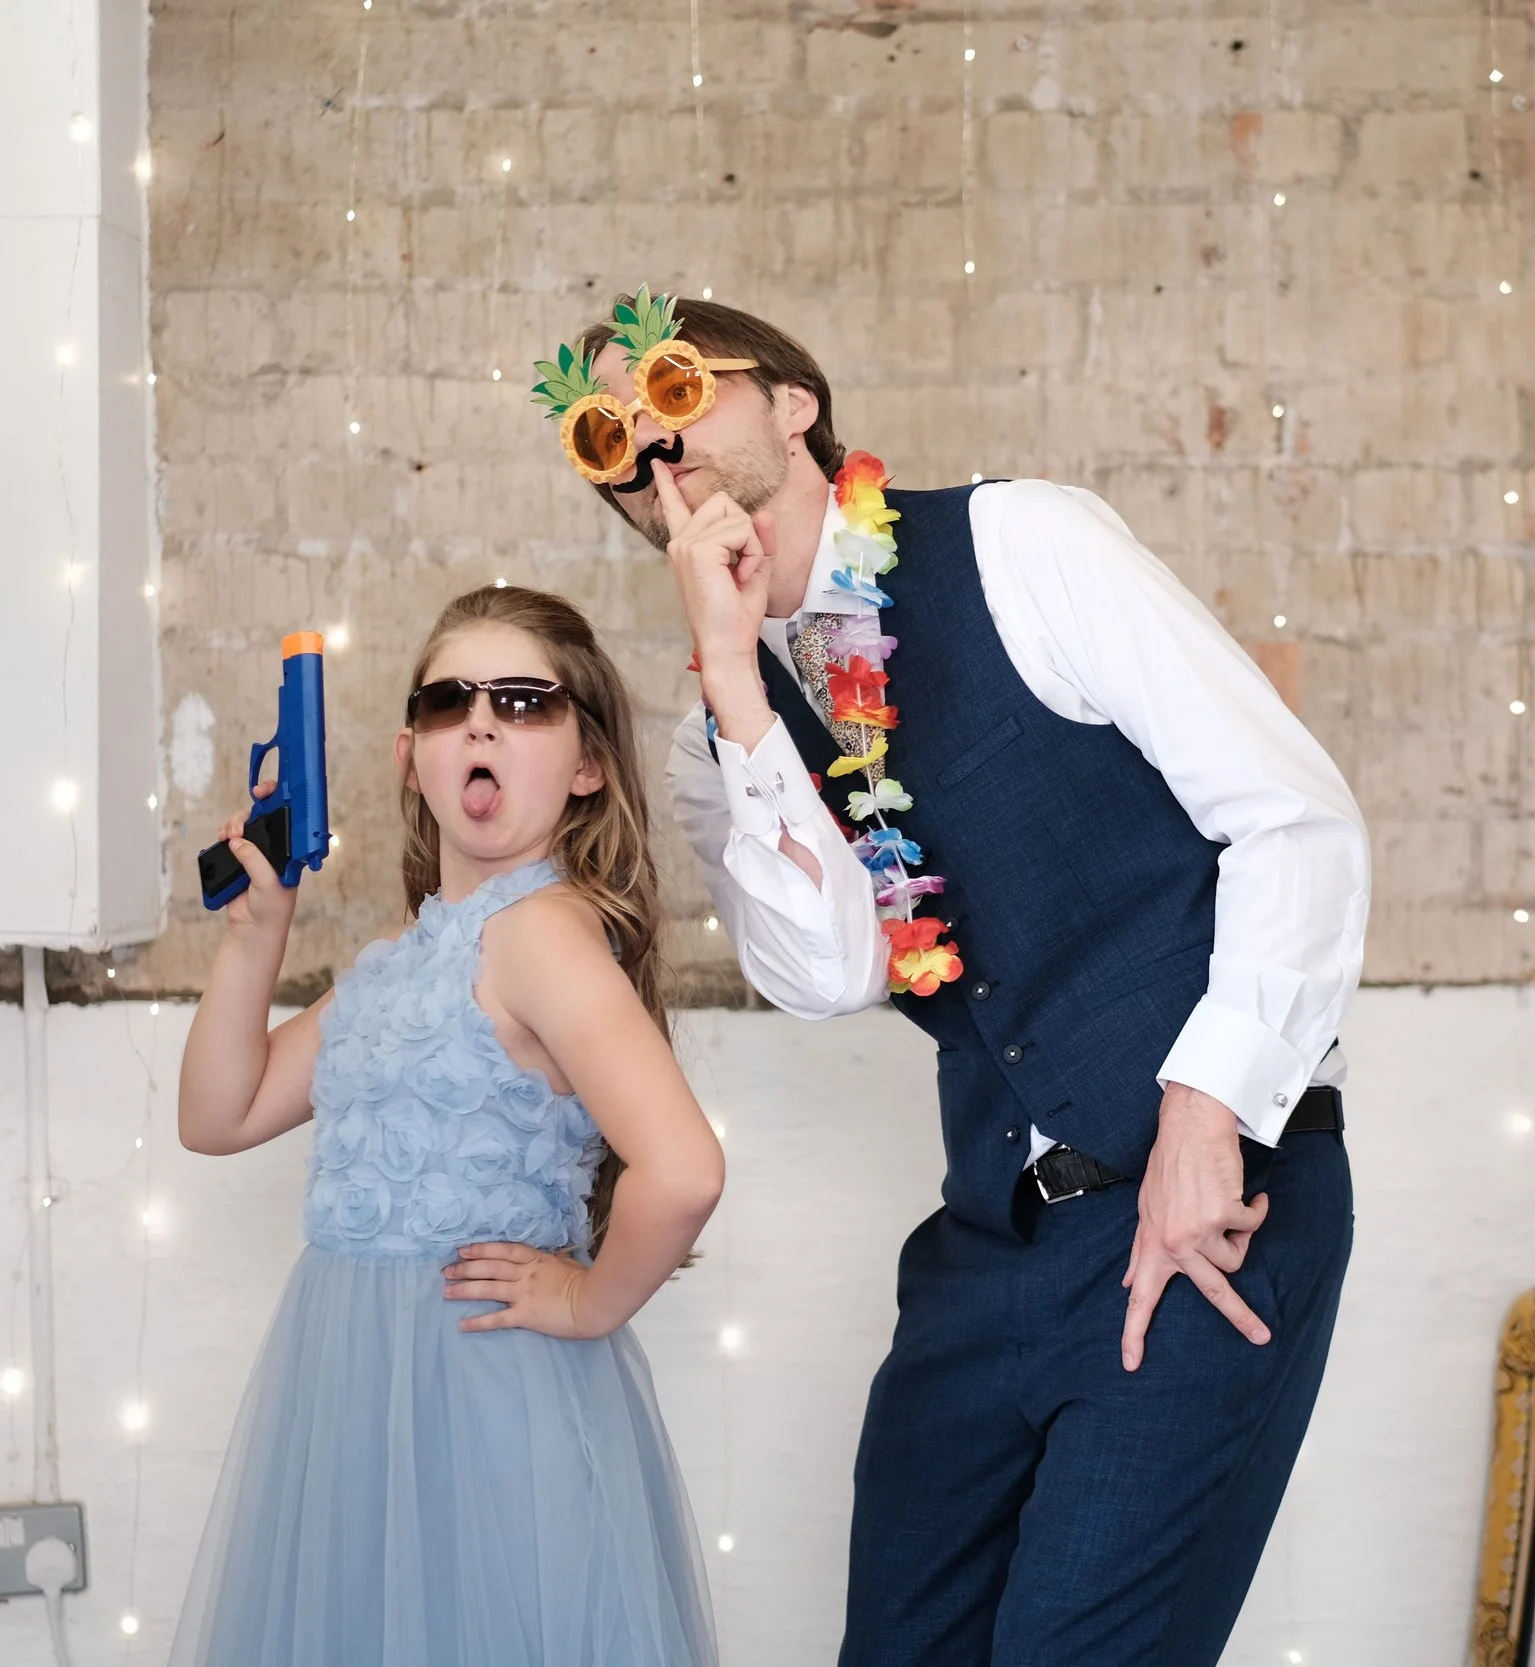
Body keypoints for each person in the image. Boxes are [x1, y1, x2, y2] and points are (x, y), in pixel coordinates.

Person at [515, 287, 1370, 1667]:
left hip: (1213, 1201)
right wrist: (737, 673)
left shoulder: (1023, 542)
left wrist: (1207, 1115)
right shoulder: (712, 744)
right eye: (606, 440)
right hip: (988, 1253)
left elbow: (1297, 819)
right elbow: (833, 966)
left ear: (794, 402)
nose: (648, 449)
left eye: (674, 390)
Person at [171, 586, 722, 1667]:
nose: (480, 721)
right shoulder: (405, 955)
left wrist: (586, 1296)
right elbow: (218, 1114)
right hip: (356, 1408)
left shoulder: (542, 935)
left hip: (483, 1404)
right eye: (448, 700)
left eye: (523, 701)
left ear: (586, 764)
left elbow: (685, 1166)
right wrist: (256, 937)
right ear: (407, 754)